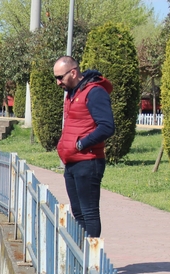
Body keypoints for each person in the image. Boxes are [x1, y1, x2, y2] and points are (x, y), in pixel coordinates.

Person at [53, 56, 114, 238]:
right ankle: (81, 258)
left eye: (60, 78)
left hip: (88, 161)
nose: (58, 83)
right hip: (72, 162)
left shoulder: (94, 92)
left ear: (73, 72)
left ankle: (91, 261)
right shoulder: (73, 93)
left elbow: (107, 126)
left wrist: (81, 144)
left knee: (89, 213)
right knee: (78, 213)